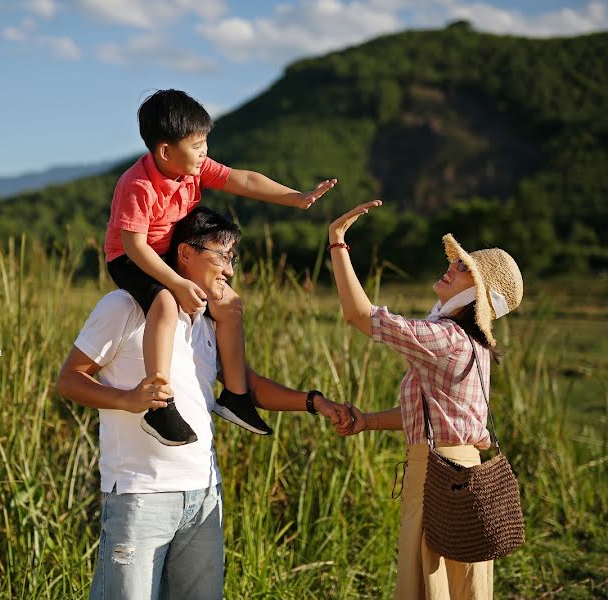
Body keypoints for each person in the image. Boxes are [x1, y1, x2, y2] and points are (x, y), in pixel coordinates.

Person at [57, 207, 353, 599]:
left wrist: (314, 402)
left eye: (233, 258)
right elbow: (69, 379)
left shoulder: (209, 319)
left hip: (203, 493)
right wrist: (128, 400)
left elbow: (245, 384)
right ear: (185, 254)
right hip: (140, 495)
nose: (229, 270)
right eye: (221, 256)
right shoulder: (124, 306)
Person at [104, 89, 337, 446]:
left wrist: (295, 197)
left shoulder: (193, 169)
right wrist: (177, 284)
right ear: (166, 151)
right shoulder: (137, 185)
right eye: (197, 145)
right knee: (165, 302)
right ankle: (159, 404)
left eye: (205, 142)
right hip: (131, 259)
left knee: (230, 304)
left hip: (167, 252)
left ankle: (236, 395)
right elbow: (135, 247)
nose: (205, 152)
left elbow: (243, 179)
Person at [325, 200, 524, 599]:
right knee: (461, 586)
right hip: (462, 470)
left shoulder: (446, 339)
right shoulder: (472, 344)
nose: (451, 266)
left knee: (430, 585)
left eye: (463, 268)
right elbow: (431, 414)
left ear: (478, 296)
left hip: (437, 473)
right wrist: (367, 420)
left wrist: (337, 244)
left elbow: (359, 315)